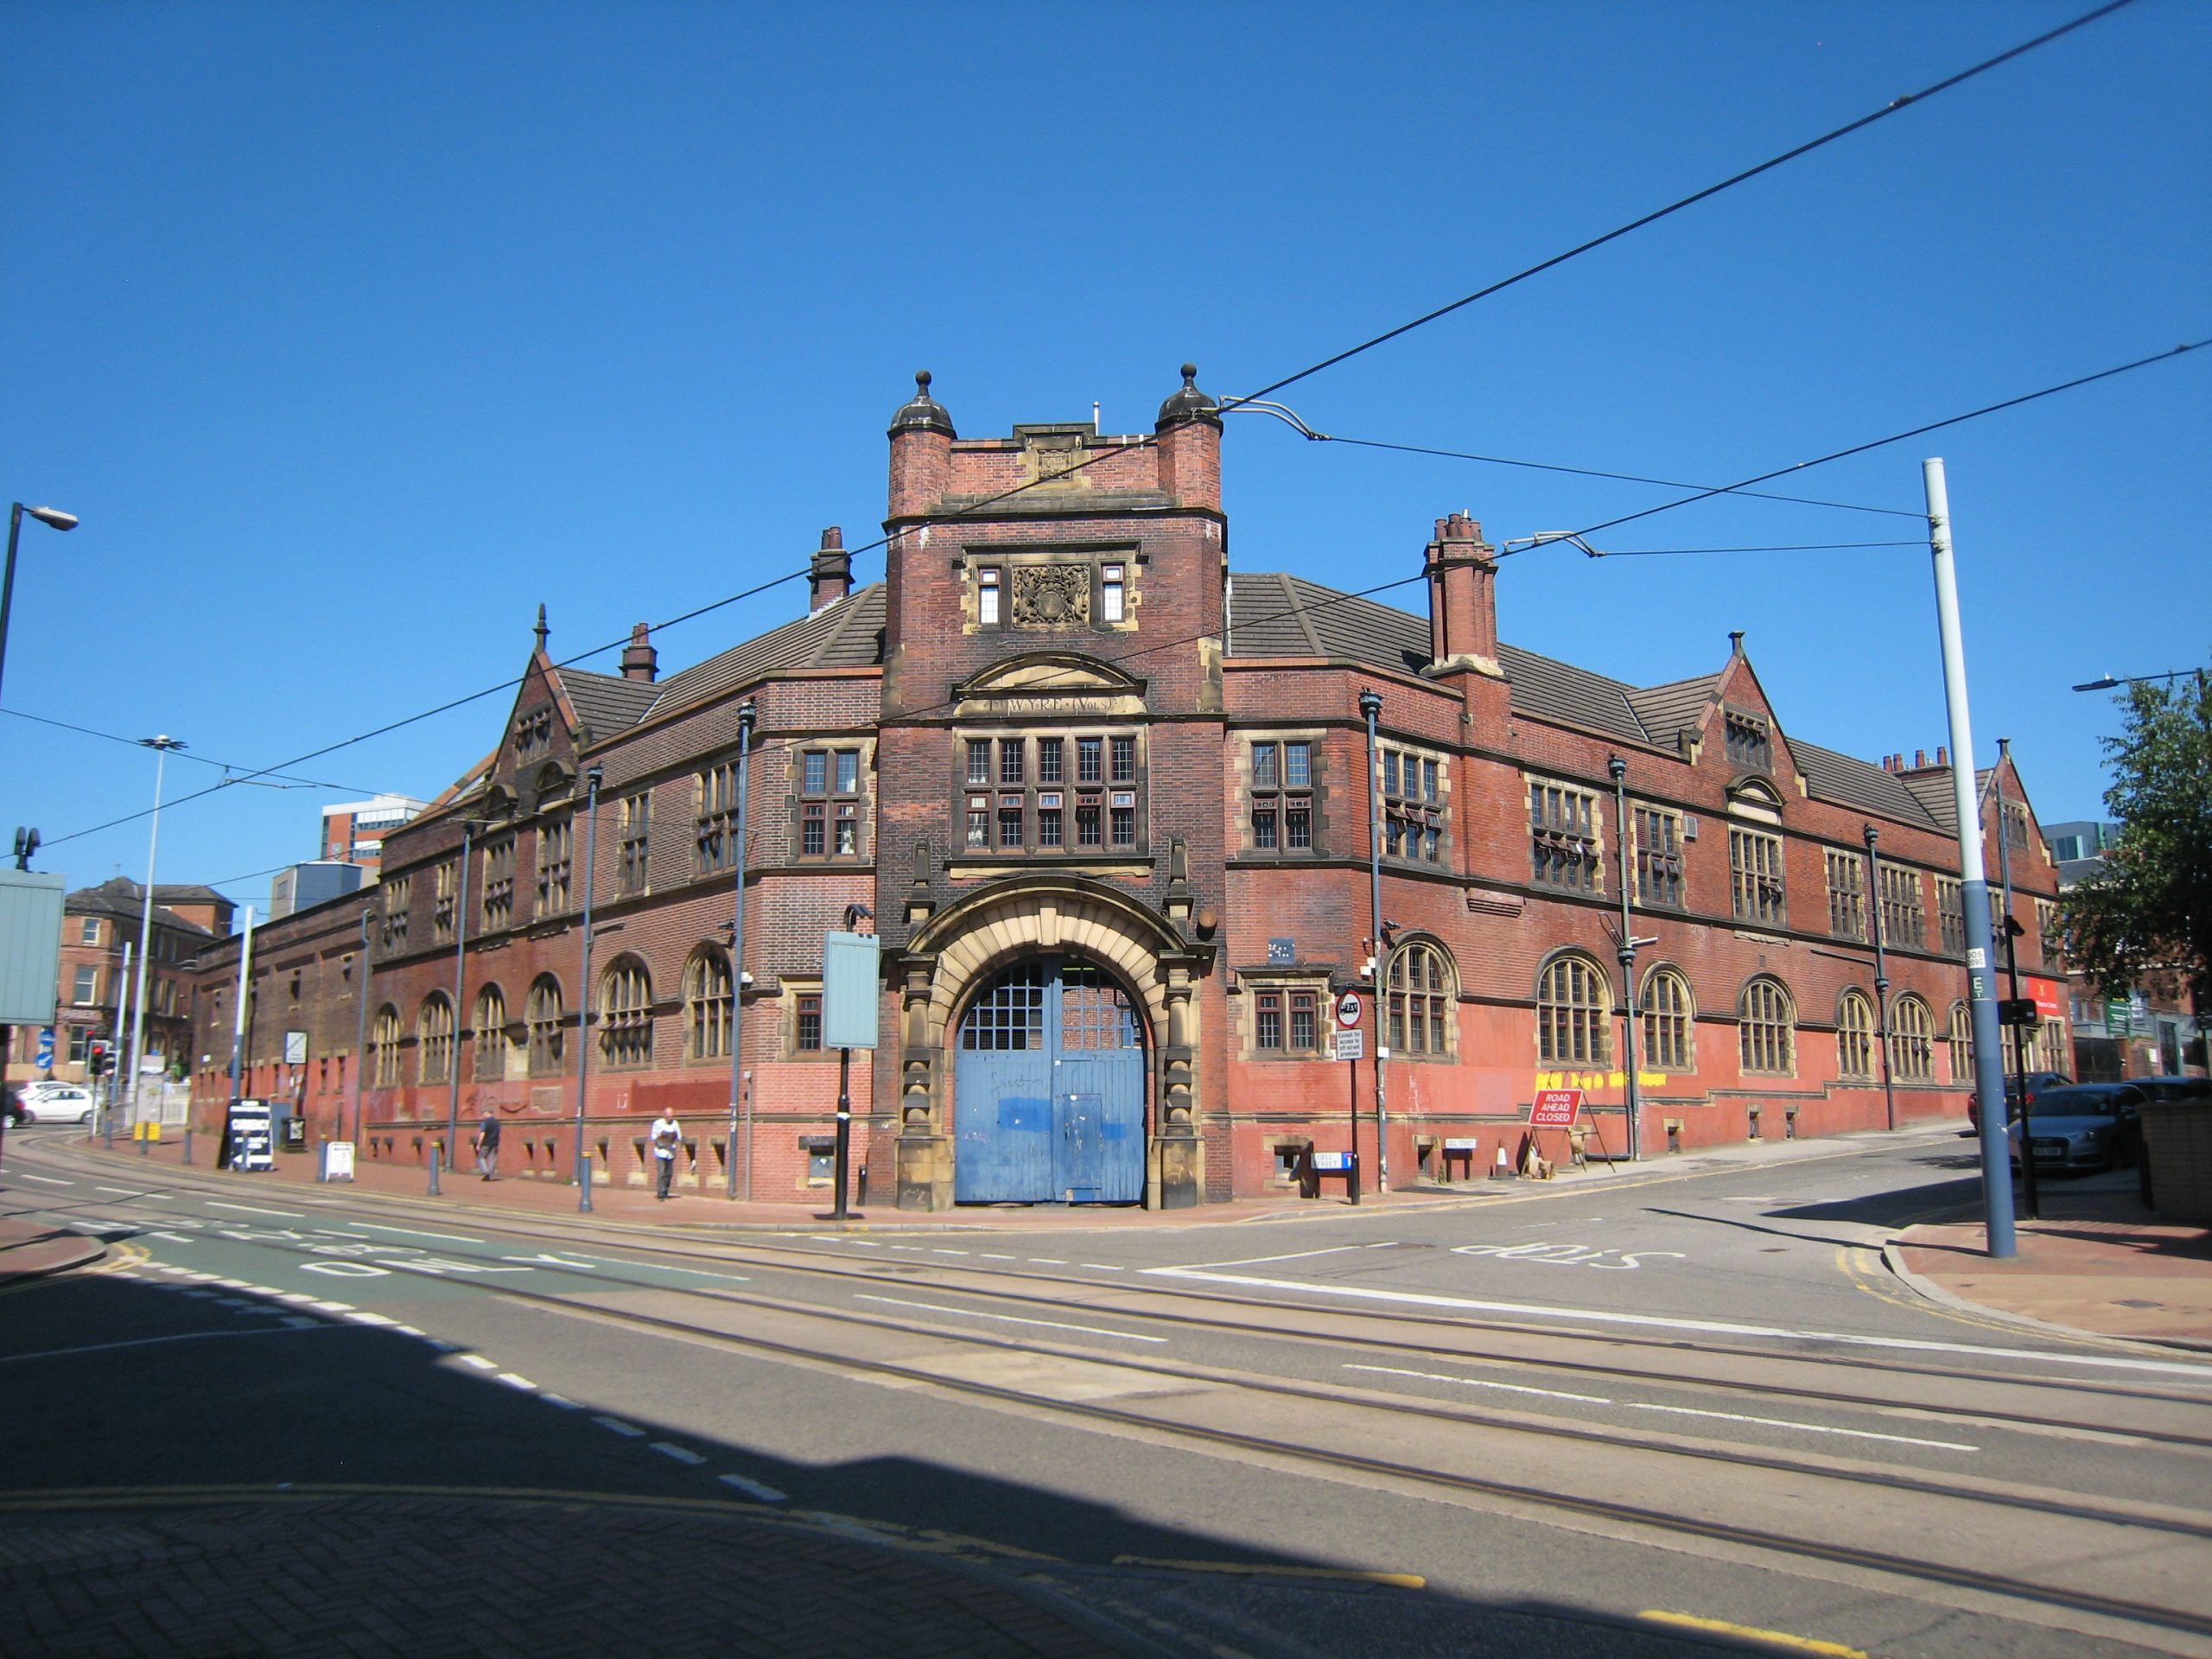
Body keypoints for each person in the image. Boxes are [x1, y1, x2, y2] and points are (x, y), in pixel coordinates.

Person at [649, 1111, 683, 1199]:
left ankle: (666, 1190)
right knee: (661, 1172)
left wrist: (674, 1136)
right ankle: (661, 1192)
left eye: (671, 1116)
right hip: (660, 1151)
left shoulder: (675, 1123)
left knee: (669, 1173)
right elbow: (652, 1137)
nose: (670, 1118)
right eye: (668, 1116)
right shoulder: (657, 1123)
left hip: (670, 1152)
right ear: (664, 1116)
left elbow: (679, 1137)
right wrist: (659, 1135)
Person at [474, 1110, 502, 1181]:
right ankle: (490, 1176)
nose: (483, 1116)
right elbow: (499, 1134)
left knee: (480, 1158)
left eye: (484, 1114)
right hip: (495, 1143)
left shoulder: (485, 1122)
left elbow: (482, 1134)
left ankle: (486, 1172)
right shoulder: (497, 1123)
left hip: (486, 1143)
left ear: (487, 1113)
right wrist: (498, 1143)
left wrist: (479, 1144)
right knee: (493, 1160)